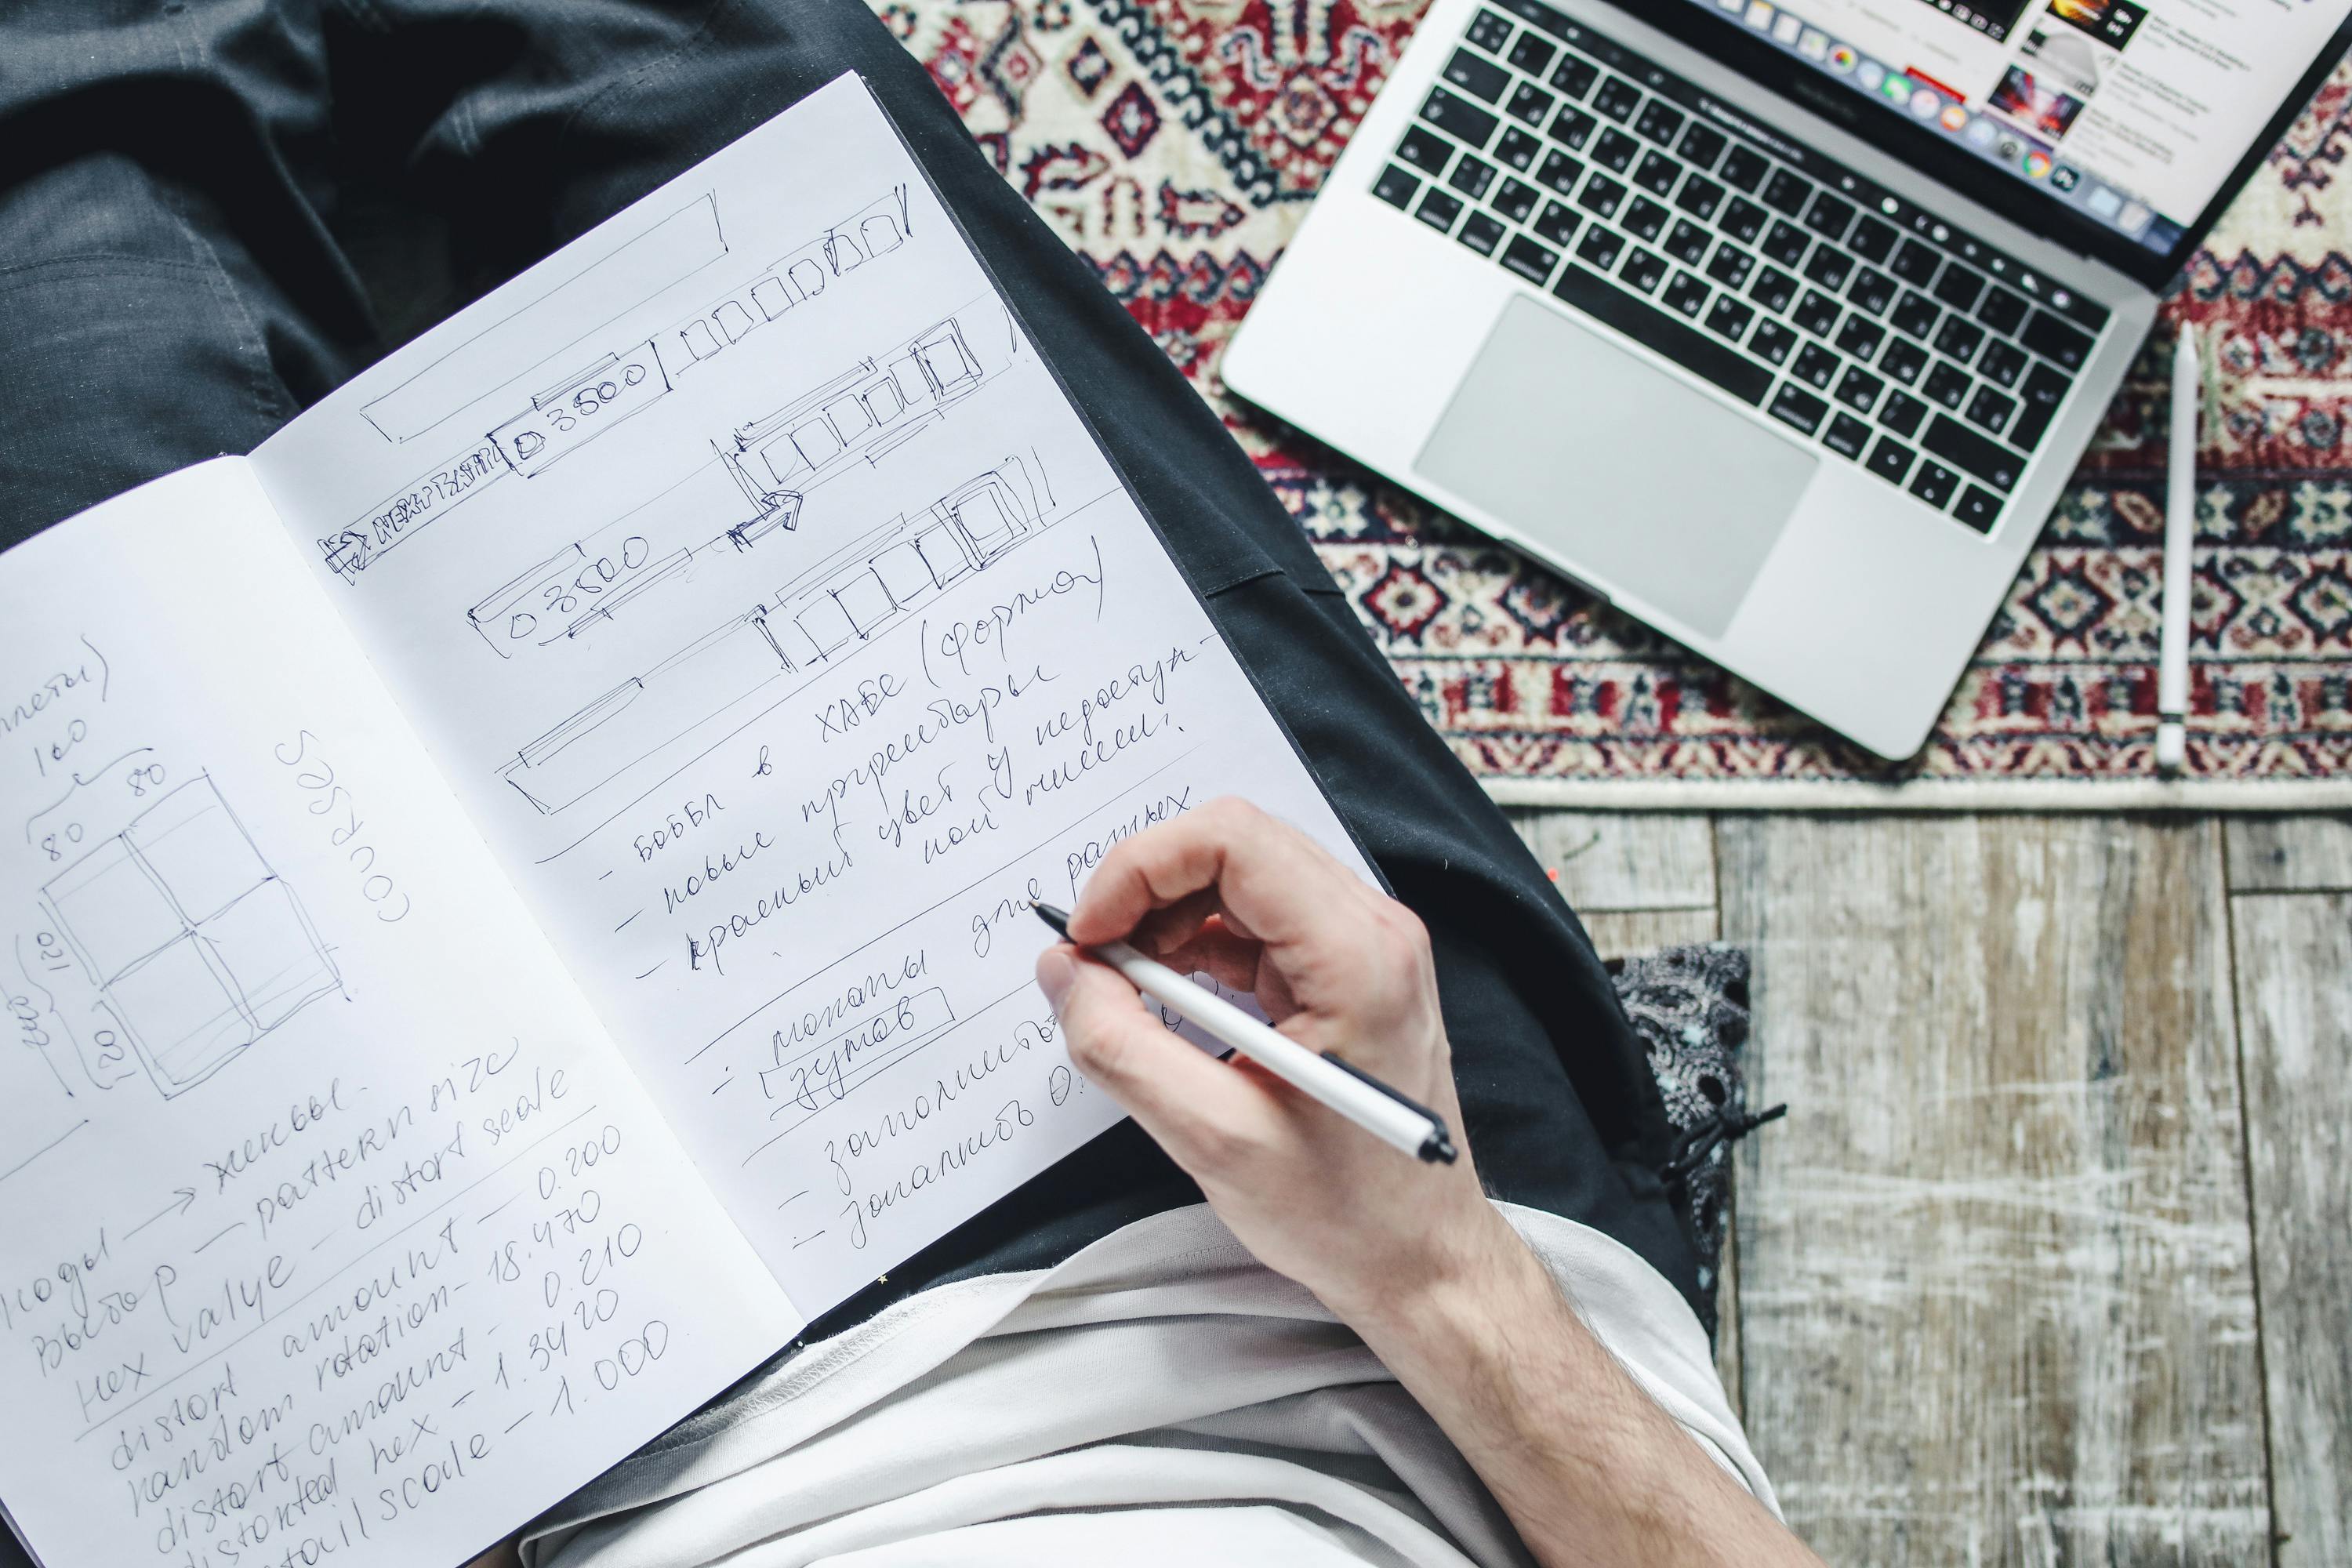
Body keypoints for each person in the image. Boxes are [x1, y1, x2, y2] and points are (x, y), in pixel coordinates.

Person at [0, 2, 1817, 1563]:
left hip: (545, 1463)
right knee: (725, 101)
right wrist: (1439, 1273)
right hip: (1354, 1290)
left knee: (62, 240)